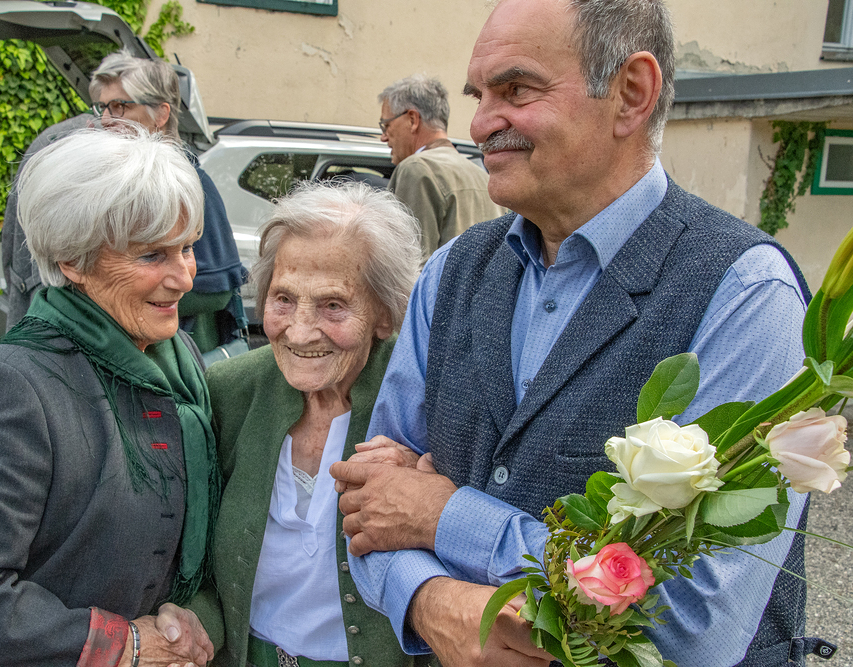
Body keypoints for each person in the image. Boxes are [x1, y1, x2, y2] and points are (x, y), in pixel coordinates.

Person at [330, 1, 820, 666]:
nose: (480, 123)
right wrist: (429, 600)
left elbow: (698, 621)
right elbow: (368, 507)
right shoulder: (453, 271)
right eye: (480, 95)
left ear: (631, 93)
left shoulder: (745, 294)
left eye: (516, 90)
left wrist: (445, 517)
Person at [0, 127, 218, 667]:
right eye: (151, 255)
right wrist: (124, 645)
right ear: (73, 261)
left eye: (187, 247)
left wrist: (181, 616)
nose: (184, 277)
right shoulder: (11, 386)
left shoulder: (176, 356)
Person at [157, 182, 432, 667]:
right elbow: (197, 561)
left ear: (385, 315)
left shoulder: (424, 406)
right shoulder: (230, 392)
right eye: (283, 299)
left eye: (333, 305)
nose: (300, 332)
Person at [1, 50, 245, 354]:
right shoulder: (88, 179)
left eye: (120, 106)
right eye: (103, 107)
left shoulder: (186, 185)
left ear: (161, 114)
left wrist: (128, 298)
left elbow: (218, 290)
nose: (106, 119)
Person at [378, 74, 506, 259]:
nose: (383, 137)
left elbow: (409, 264)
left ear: (412, 119)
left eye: (386, 125)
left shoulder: (416, 168)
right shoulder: (482, 175)